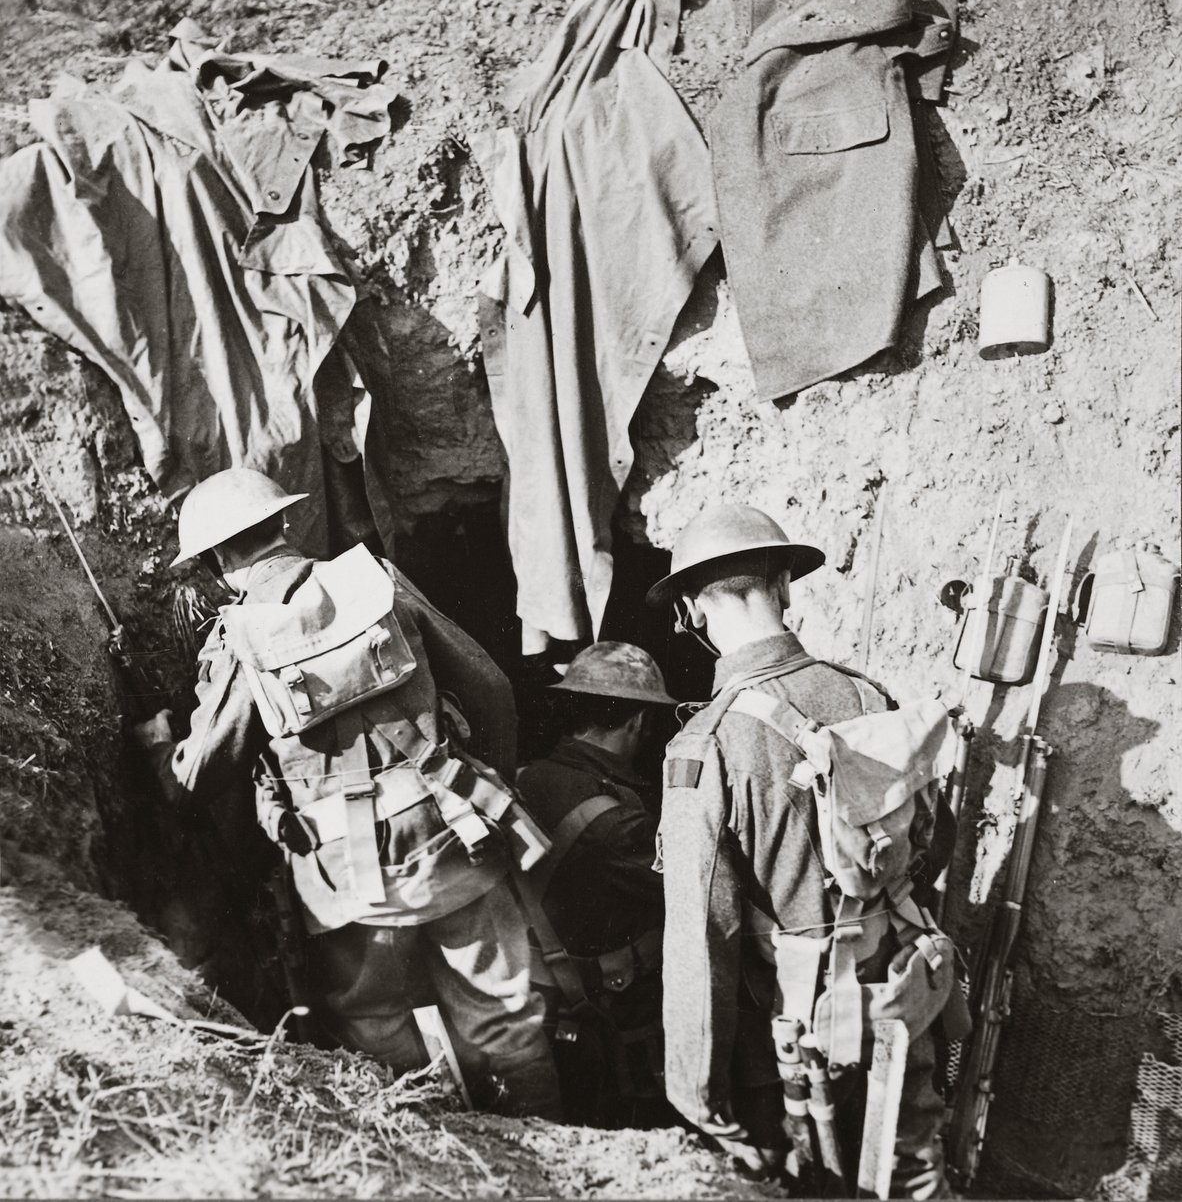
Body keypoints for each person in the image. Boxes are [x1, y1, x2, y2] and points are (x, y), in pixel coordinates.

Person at [135, 467, 561, 1117]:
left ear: (220, 560)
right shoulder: (377, 581)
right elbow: (492, 690)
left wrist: (161, 746)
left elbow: (198, 778)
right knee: (505, 1020)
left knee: (377, 1028)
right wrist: (477, 785)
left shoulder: (241, 636)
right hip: (454, 839)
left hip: (349, 882)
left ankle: (435, 1165)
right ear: (284, 523)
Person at [646, 503, 952, 1197]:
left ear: (692, 610)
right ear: (784, 585)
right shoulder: (869, 695)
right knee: (914, 1169)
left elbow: (702, 937)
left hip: (792, 1041)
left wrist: (699, 1099)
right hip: (902, 992)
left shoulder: (707, 746)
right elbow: (934, 839)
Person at [514, 642, 675, 1127]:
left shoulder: (526, 777)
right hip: (609, 1013)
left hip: (541, 999)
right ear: (638, 723)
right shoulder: (617, 821)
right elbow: (692, 888)